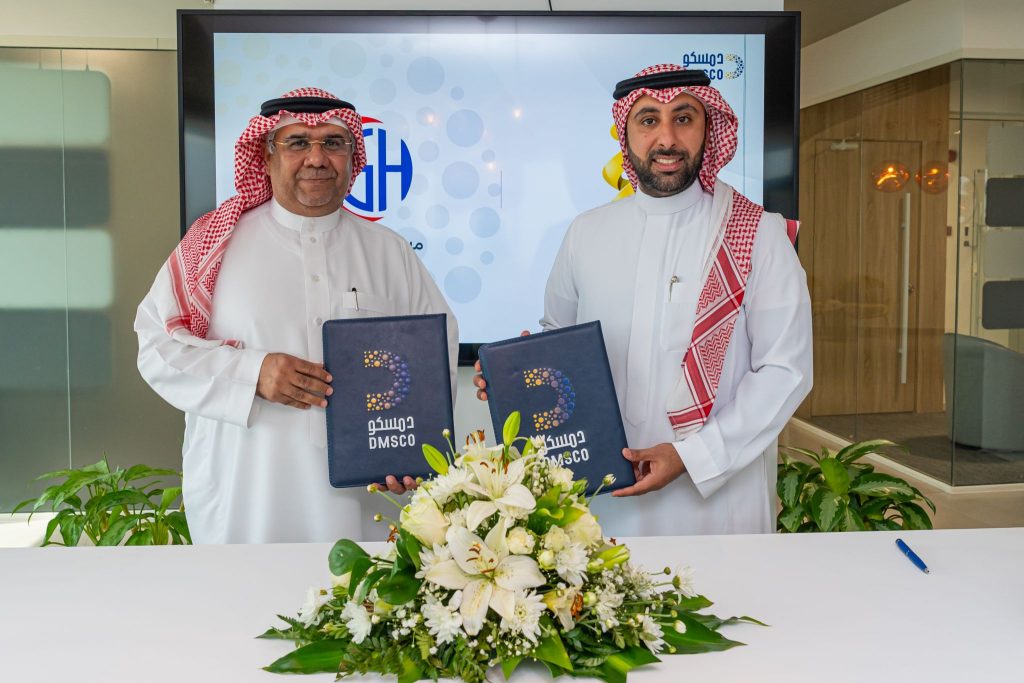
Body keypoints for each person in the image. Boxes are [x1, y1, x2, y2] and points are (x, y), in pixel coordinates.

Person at [475, 64, 811, 536]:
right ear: (626, 134)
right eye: (649, 120)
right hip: (603, 492)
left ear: (709, 128)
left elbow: (785, 371)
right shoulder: (586, 232)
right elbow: (558, 338)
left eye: (684, 118)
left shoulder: (757, 234)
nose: (667, 139)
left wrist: (692, 457)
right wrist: (517, 376)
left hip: (717, 501)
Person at [136, 88, 458, 544]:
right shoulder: (213, 247)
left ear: (353, 158)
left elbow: (436, 358)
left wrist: (412, 452)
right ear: (266, 156)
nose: (317, 158)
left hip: (361, 508)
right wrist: (254, 372)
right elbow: (157, 349)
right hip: (245, 501)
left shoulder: (390, 252)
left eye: (333, 143)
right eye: (298, 143)